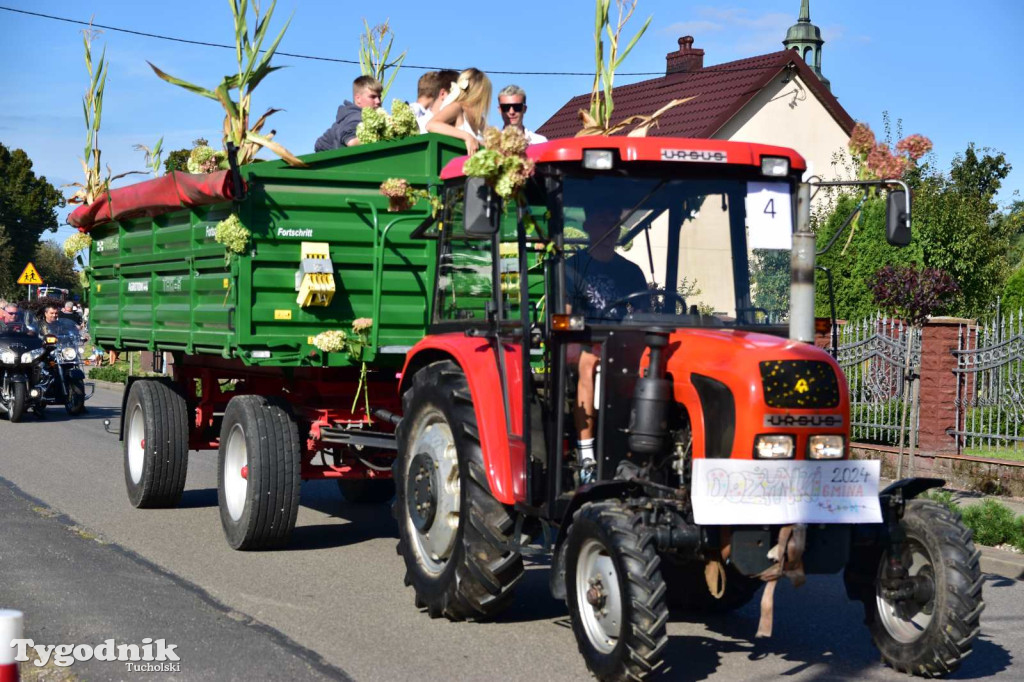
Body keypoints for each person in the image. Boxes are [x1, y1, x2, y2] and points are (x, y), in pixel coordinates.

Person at [564, 204, 649, 482]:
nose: (610, 229)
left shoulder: (632, 272)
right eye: (603, 221)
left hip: (623, 346)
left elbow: (643, 318)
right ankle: (586, 457)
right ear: (588, 227)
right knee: (589, 362)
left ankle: (641, 450)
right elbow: (566, 318)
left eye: (614, 223)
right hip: (583, 345)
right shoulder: (571, 268)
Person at [426, 68, 492, 155]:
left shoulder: (481, 120)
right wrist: (466, 136)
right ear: (480, 91)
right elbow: (431, 125)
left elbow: (491, 144)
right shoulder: (457, 107)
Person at [314, 76, 383, 152]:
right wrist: (380, 137)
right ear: (358, 99)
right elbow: (351, 142)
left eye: (379, 97)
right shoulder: (356, 117)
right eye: (372, 97)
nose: (378, 101)